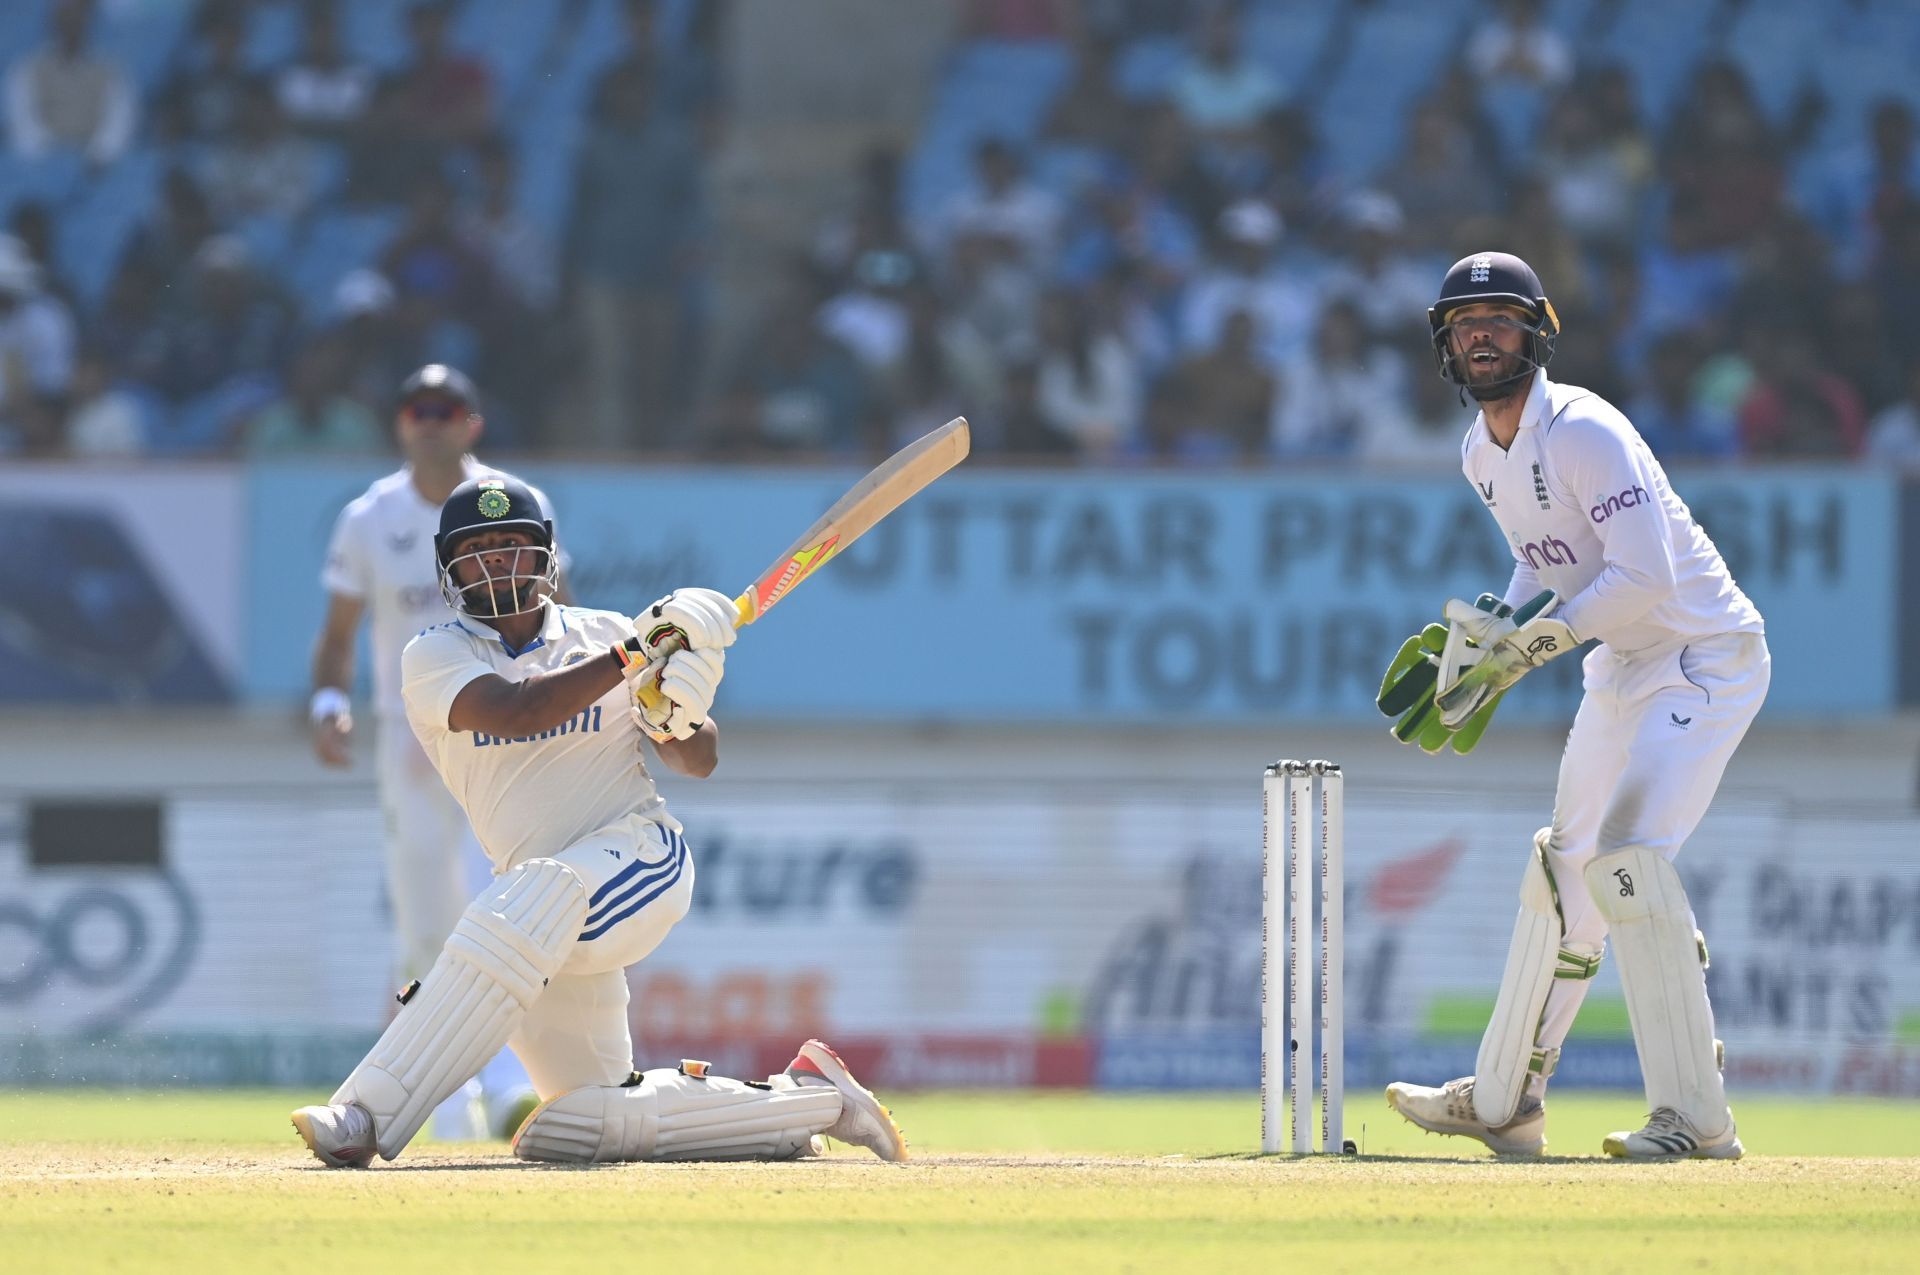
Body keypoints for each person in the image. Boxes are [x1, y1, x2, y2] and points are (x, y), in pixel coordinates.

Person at [290, 475, 907, 1167]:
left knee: (531, 894)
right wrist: (635, 655)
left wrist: (680, 710)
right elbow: (517, 709)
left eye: (513, 544)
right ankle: (815, 1100)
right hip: (535, 913)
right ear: (449, 569)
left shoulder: (609, 632)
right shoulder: (433, 654)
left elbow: (697, 759)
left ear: (547, 557)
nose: (498, 560)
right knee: (586, 1121)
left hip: (640, 857)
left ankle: (363, 1115)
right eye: (480, 548)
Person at [1381, 253, 1767, 1160]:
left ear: (1536, 332)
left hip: (1704, 656)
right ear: (1445, 342)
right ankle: (1508, 1098)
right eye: (1464, 321)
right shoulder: (1481, 451)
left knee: (1630, 859)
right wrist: (1501, 631)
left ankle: (1696, 1120)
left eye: (1501, 318)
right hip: (1621, 666)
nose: (1481, 333)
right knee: (1566, 866)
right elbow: (1546, 561)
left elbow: (1647, 575)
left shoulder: (1586, 430)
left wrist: (1540, 643)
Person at [307, 364, 545, 1141]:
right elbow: (339, 634)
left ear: (472, 422)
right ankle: (443, 1099)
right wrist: (329, 702)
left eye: (448, 409)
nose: (432, 421)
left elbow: (558, 611)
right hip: (410, 736)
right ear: (400, 422)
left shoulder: (506, 502)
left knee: (500, 907)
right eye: (418, 409)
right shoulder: (369, 517)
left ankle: (511, 1081)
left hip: (500, 725)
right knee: (422, 920)